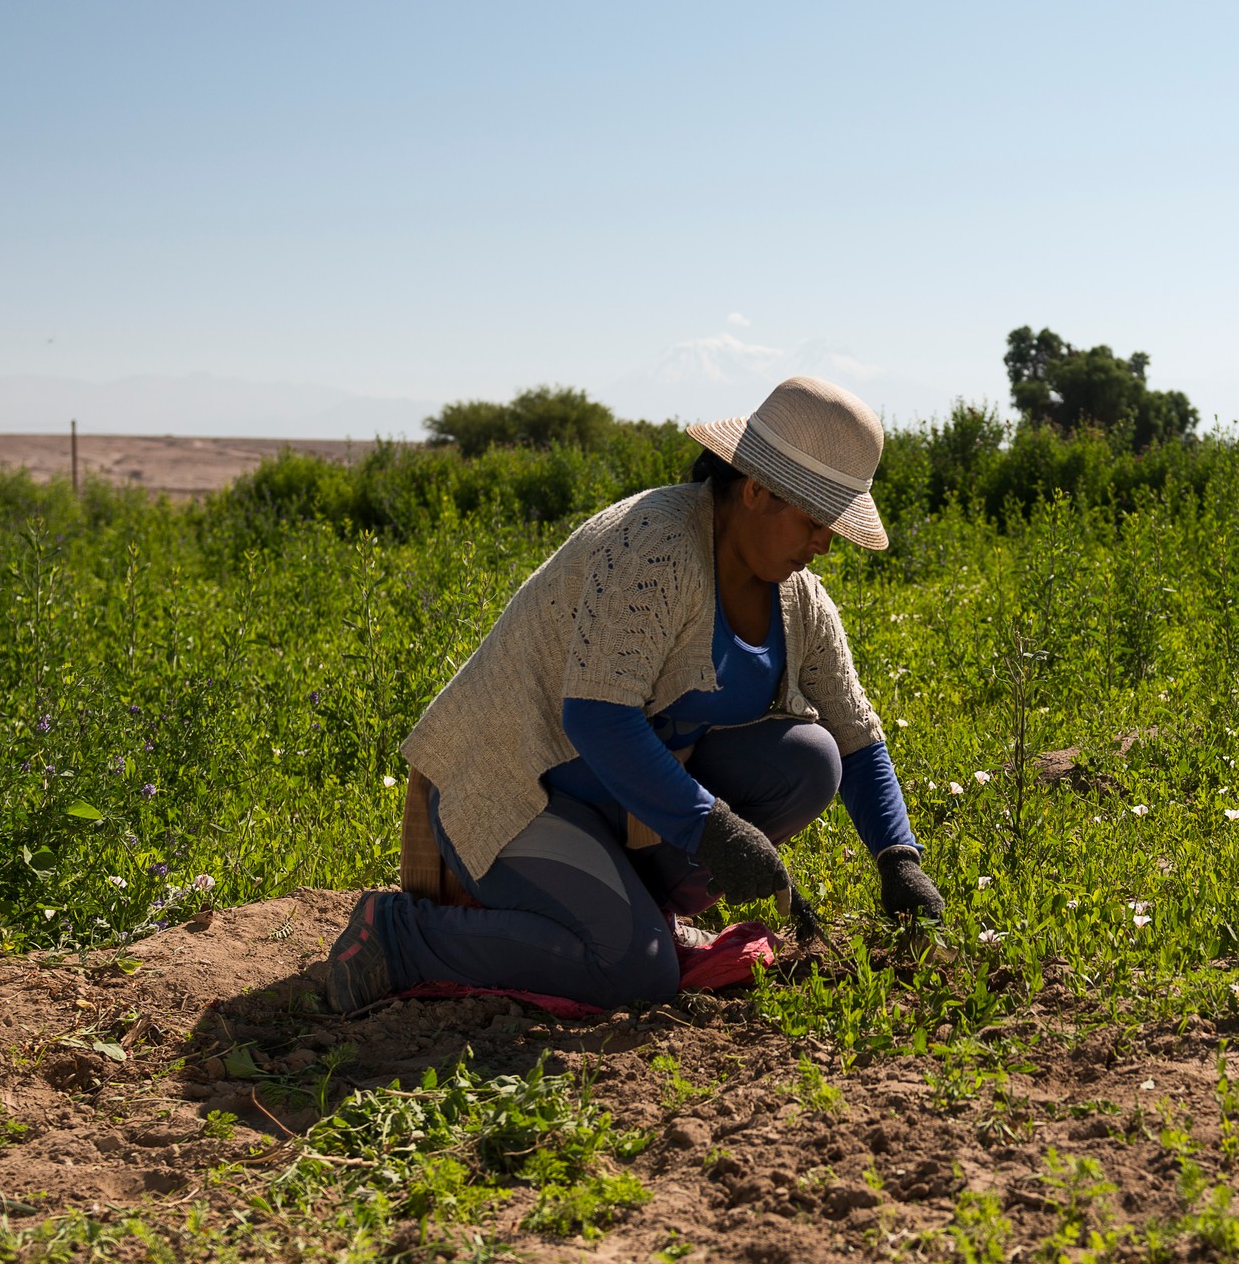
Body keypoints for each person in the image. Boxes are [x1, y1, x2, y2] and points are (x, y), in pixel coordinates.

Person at [320, 374, 945, 1015]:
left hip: (618, 805)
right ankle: (398, 936)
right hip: (517, 789)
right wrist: (713, 828)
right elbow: (598, 719)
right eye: (815, 520)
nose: (824, 543)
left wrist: (899, 858)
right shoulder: (657, 547)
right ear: (757, 490)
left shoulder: (798, 600)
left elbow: (853, 730)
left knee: (809, 758)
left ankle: (637, 911)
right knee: (634, 973)